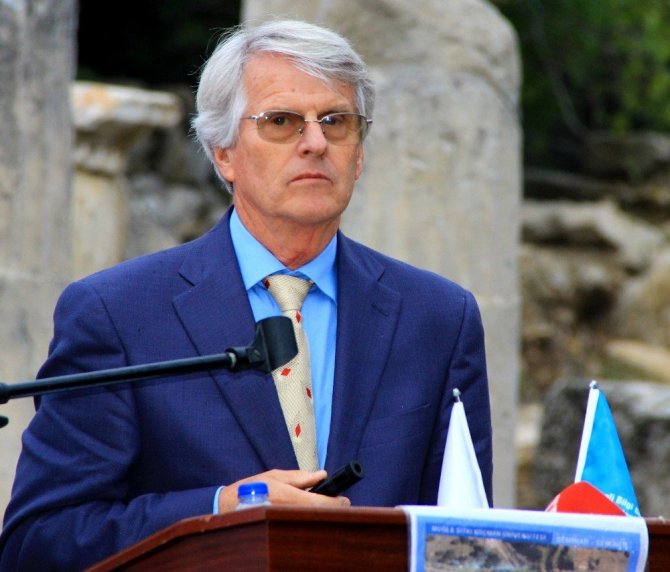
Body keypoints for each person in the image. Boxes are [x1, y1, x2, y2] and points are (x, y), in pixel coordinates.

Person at [0, 19, 493, 571]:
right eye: (281, 121)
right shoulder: (118, 313)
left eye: (336, 122)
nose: (315, 142)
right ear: (223, 154)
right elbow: (37, 543)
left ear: (359, 154)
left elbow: (472, 539)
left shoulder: (438, 318)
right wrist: (223, 509)